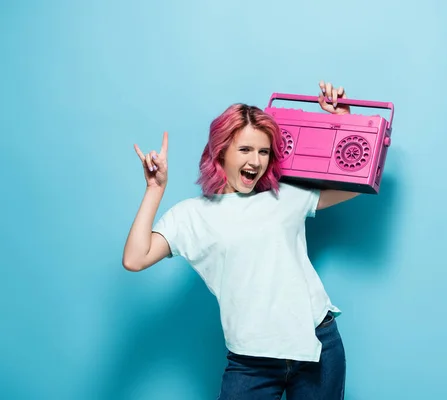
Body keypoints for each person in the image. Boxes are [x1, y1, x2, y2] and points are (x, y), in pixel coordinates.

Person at [122, 81, 360, 399]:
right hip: (251, 363)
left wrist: (342, 120)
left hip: (317, 345)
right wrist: (155, 189)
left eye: (263, 151)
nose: (256, 161)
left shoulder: (285, 195)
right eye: (245, 150)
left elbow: (355, 185)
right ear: (221, 151)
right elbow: (135, 258)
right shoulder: (191, 216)